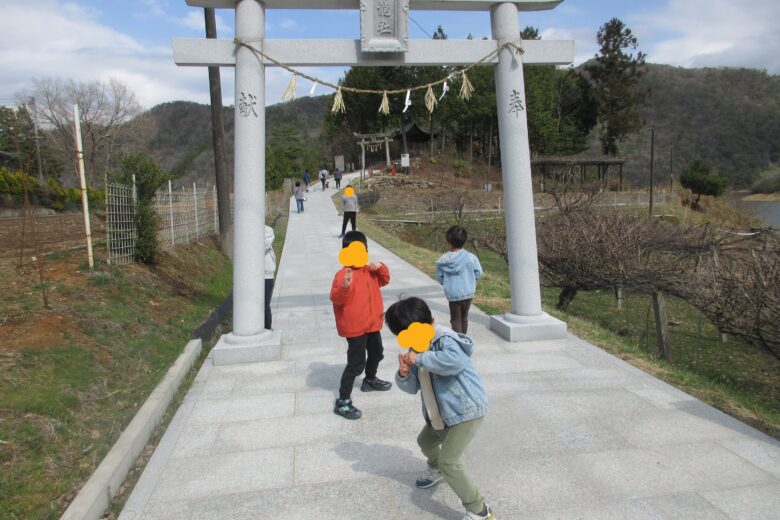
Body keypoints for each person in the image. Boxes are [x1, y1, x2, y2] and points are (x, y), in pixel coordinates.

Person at [386, 297, 493, 520]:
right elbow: (412, 388)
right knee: (425, 442)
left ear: (432, 321)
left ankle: (480, 510)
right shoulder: (414, 349)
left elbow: (455, 362)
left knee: (449, 461)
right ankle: (436, 470)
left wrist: (420, 358)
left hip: (465, 411)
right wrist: (404, 374)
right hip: (439, 414)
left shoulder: (445, 339)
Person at [330, 231, 392, 420]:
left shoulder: (369, 271)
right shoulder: (343, 275)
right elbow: (336, 299)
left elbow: (385, 279)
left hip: (372, 325)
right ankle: (343, 400)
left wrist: (380, 267)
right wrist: (345, 286)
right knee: (356, 363)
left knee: (377, 353)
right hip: (355, 328)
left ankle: (370, 379)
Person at [435, 225, 483, 334]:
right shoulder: (471, 257)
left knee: (455, 319)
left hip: (452, 294)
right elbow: (479, 272)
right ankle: (464, 339)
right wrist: (471, 280)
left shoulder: (443, 260)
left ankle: (458, 340)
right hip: (468, 292)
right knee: (464, 318)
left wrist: (446, 283)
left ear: (448, 242)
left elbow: (439, 277)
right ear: (464, 241)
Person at [264, 225, 276, 330]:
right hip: (250, 275)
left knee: (264, 305)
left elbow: (264, 246)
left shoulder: (268, 230)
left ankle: (268, 329)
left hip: (266, 273)